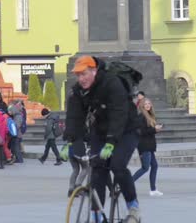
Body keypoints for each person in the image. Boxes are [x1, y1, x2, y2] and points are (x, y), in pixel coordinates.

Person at [64, 55, 141, 223]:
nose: (81, 79)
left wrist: (111, 142)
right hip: (100, 131)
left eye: (84, 74)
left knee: (117, 166)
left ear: (94, 70)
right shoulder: (78, 91)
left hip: (127, 129)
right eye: (78, 75)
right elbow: (74, 118)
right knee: (97, 171)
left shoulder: (111, 83)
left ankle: (133, 208)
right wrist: (70, 141)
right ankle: (97, 216)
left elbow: (119, 114)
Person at [133, 98, 163, 196]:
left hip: (149, 146)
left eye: (149, 103)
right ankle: (127, 184)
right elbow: (142, 132)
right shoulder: (141, 116)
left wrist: (156, 129)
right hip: (144, 146)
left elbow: (148, 131)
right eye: (145, 104)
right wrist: (154, 130)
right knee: (145, 168)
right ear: (142, 105)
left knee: (154, 166)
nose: (148, 105)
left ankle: (153, 189)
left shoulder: (150, 116)